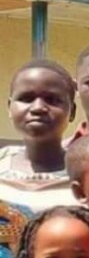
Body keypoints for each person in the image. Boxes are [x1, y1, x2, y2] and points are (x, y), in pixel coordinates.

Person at [0, 60, 78, 213]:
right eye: (26, 98)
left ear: (72, 112)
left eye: (52, 100)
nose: (38, 108)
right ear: (9, 108)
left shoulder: (86, 173)